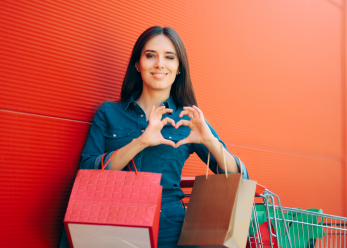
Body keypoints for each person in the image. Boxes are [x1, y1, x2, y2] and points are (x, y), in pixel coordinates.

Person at [60, 26, 248, 248]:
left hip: (169, 227)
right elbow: (86, 172)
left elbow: (237, 175)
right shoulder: (109, 113)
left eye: (170, 57)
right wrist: (140, 142)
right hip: (110, 222)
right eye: (151, 56)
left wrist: (210, 141)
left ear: (179, 68)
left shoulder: (188, 118)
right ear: (138, 64)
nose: (160, 63)